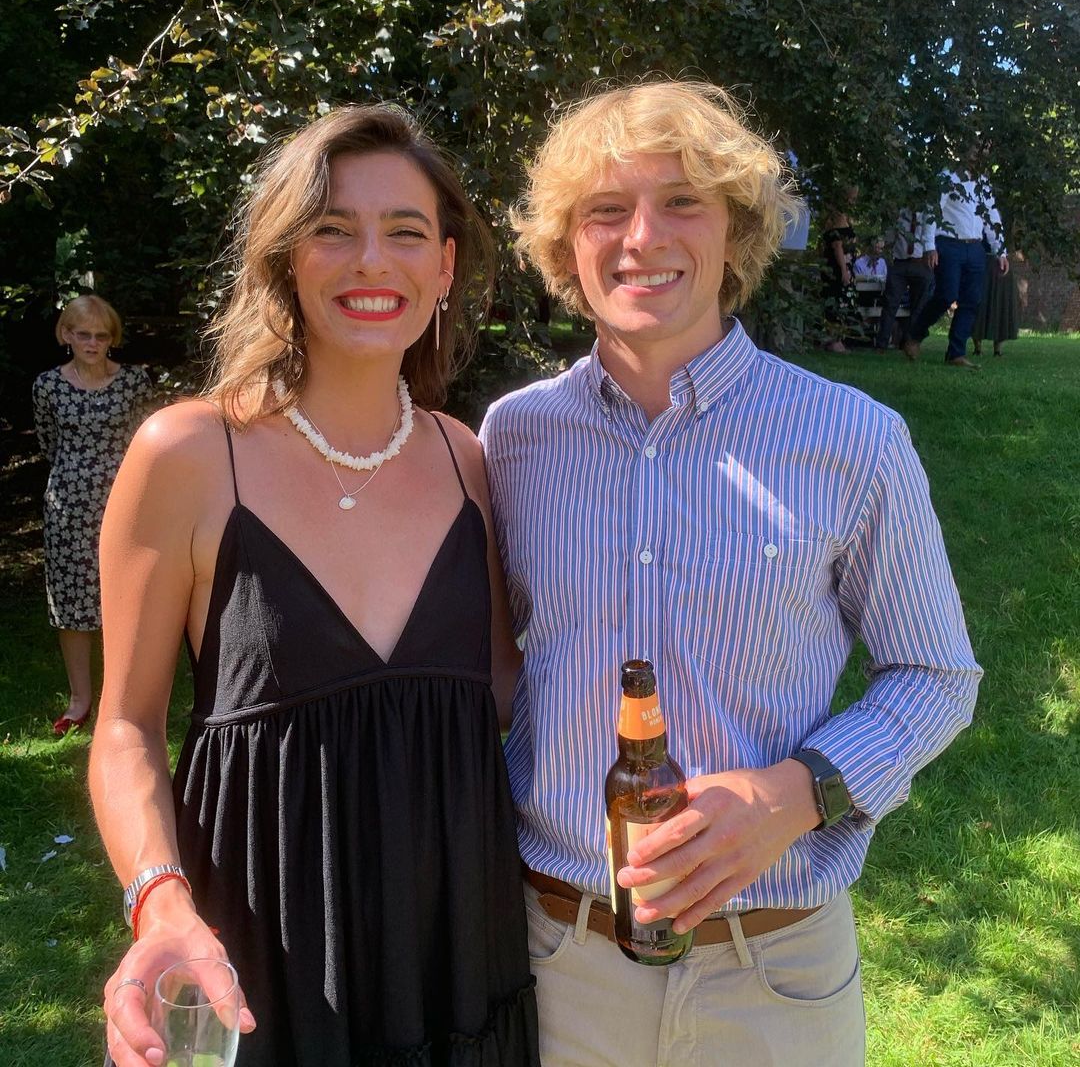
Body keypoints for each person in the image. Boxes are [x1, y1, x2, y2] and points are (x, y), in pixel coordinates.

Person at [480, 80, 981, 1066]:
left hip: (774, 974)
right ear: (566, 246)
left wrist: (797, 793)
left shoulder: (852, 439)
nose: (643, 237)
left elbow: (936, 675)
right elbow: (489, 668)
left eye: (682, 202)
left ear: (736, 231)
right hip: (557, 964)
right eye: (607, 209)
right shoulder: (515, 440)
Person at [91, 105, 540, 1067]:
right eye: (334, 229)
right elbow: (124, 727)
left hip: (457, 950)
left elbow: (507, 693)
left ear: (445, 268)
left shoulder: (468, 461)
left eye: (405, 233)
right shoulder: (189, 454)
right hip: (265, 961)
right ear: (287, 258)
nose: (372, 260)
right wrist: (159, 901)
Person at [31, 294, 155, 735]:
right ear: (66, 334)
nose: (92, 343)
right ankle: (80, 698)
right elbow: (48, 443)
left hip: (127, 500)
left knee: (129, 597)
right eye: (83, 334)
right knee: (71, 604)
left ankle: (124, 698)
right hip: (67, 508)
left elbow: (148, 440)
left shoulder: (134, 383)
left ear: (112, 339)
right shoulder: (47, 386)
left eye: (101, 335)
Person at [902, 156, 1009, 368]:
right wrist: (929, 245)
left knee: (972, 299)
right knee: (946, 294)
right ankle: (915, 334)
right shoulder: (947, 177)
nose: (979, 154)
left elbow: (992, 217)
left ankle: (956, 353)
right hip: (949, 244)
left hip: (975, 247)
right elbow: (932, 210)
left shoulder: (983, 184)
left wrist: (1000, 251)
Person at [874, 207, 936, 352]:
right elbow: (889, 238)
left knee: (918, 306)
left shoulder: (929, 213)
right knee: (890, 304)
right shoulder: (899, 213)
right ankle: (882, 344)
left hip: (921, 263)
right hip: (900, 263)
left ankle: (909, 342)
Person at [819, 183, 860, 353]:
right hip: (837, 270)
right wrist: (844, 270)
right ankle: (834, 340)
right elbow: (837, 246)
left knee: (841, 302)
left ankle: (837, 338)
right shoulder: (837, 219)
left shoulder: (841, 217)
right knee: (837, 301)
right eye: (853, 198)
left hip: (843, 267)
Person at [972, 249, 1021, 357]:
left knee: (1001, 303)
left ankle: (997, 349)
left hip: (1000, 266)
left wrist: (1002, 255)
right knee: (980, 304)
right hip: (983, 261)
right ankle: (978, 348)